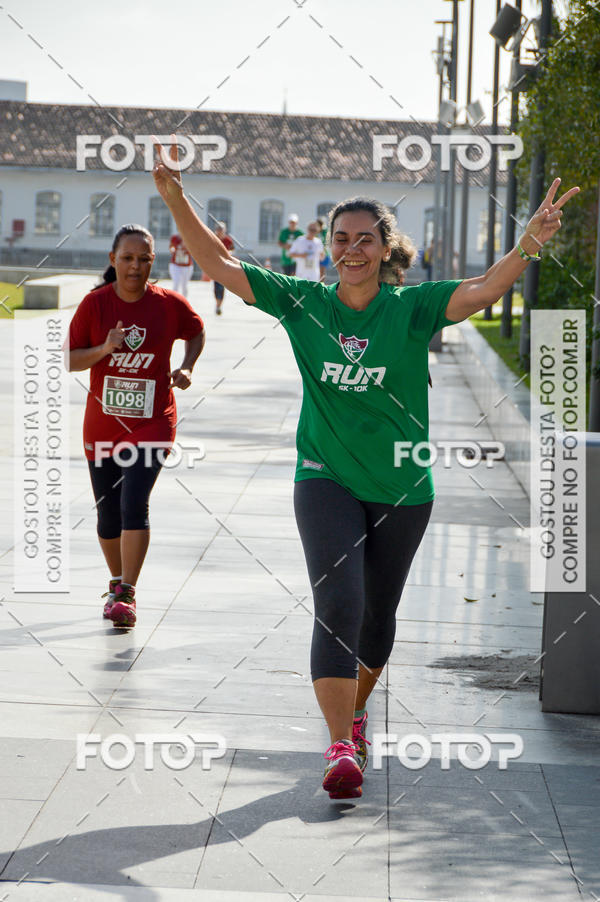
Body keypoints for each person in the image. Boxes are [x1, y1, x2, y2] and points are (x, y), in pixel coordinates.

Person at [152, 138, 578, 798]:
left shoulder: (411, 309)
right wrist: (177, 200)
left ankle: (354, 712)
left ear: (385, 249)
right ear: (327, 247)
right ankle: (339, 747)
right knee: (338, 606)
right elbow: (220, 262)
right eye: (340, 238)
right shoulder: (302, 303)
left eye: (364, 239)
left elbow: (486, 289)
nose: (351, 249)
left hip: (405, 488)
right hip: (323, 476)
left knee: (377, 621)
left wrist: (528, 244)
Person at [65, 223, 205, 628]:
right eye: (127, 258)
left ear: (152, 262)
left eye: (144, 259)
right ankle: (116, 581)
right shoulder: (94, 305)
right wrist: (106, 348)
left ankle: (127, 592)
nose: (135, 266)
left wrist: (187, 367)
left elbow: (196, 332)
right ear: (113, 260)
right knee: (108, 516)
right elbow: (69, 359)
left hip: (153, 422)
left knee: (133, 503)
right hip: (103, 425)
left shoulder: (168, 304)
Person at [212, 221, 235, 316]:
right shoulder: (213, 239)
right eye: (218, 229)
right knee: (216, 287)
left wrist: (229, 253)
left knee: (221, 286)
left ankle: (219, 306)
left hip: (225, 266)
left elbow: (232, 249)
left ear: (224, 230)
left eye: (221, 229)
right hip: (214, 265)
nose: (219, 231)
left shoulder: (228, 240)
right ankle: (217, 304)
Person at [169, 232, 194, 297]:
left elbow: (193, 250)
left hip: (186, 266)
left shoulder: (189, 238)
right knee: (176, 283)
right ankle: (174, 301)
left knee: (184, 285)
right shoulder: (175, 238)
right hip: (176, 264)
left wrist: (185, 242)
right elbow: (171, 248)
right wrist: (173, 250)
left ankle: (184, 301)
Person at [316, 215, 331, 281]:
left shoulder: (325, 232)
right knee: (316, 271)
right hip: (316, 254)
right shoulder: (315, 232)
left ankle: (321, 284)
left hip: (325, 254)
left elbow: (326, 242)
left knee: (322, 271)